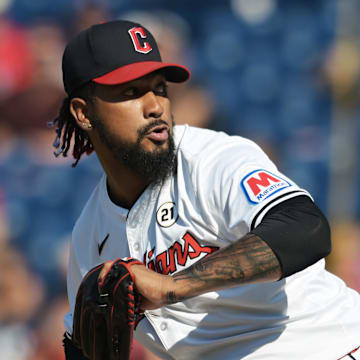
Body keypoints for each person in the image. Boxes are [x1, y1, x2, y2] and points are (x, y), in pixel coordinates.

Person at [55, 20, 360, 360]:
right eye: (131, 92)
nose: (155, 105)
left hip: (330, 347)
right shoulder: (90, 237)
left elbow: (306, 229)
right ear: (83, 113)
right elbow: (79, 345)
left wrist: (172, 286)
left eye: (159, 88)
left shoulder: (213, 160)